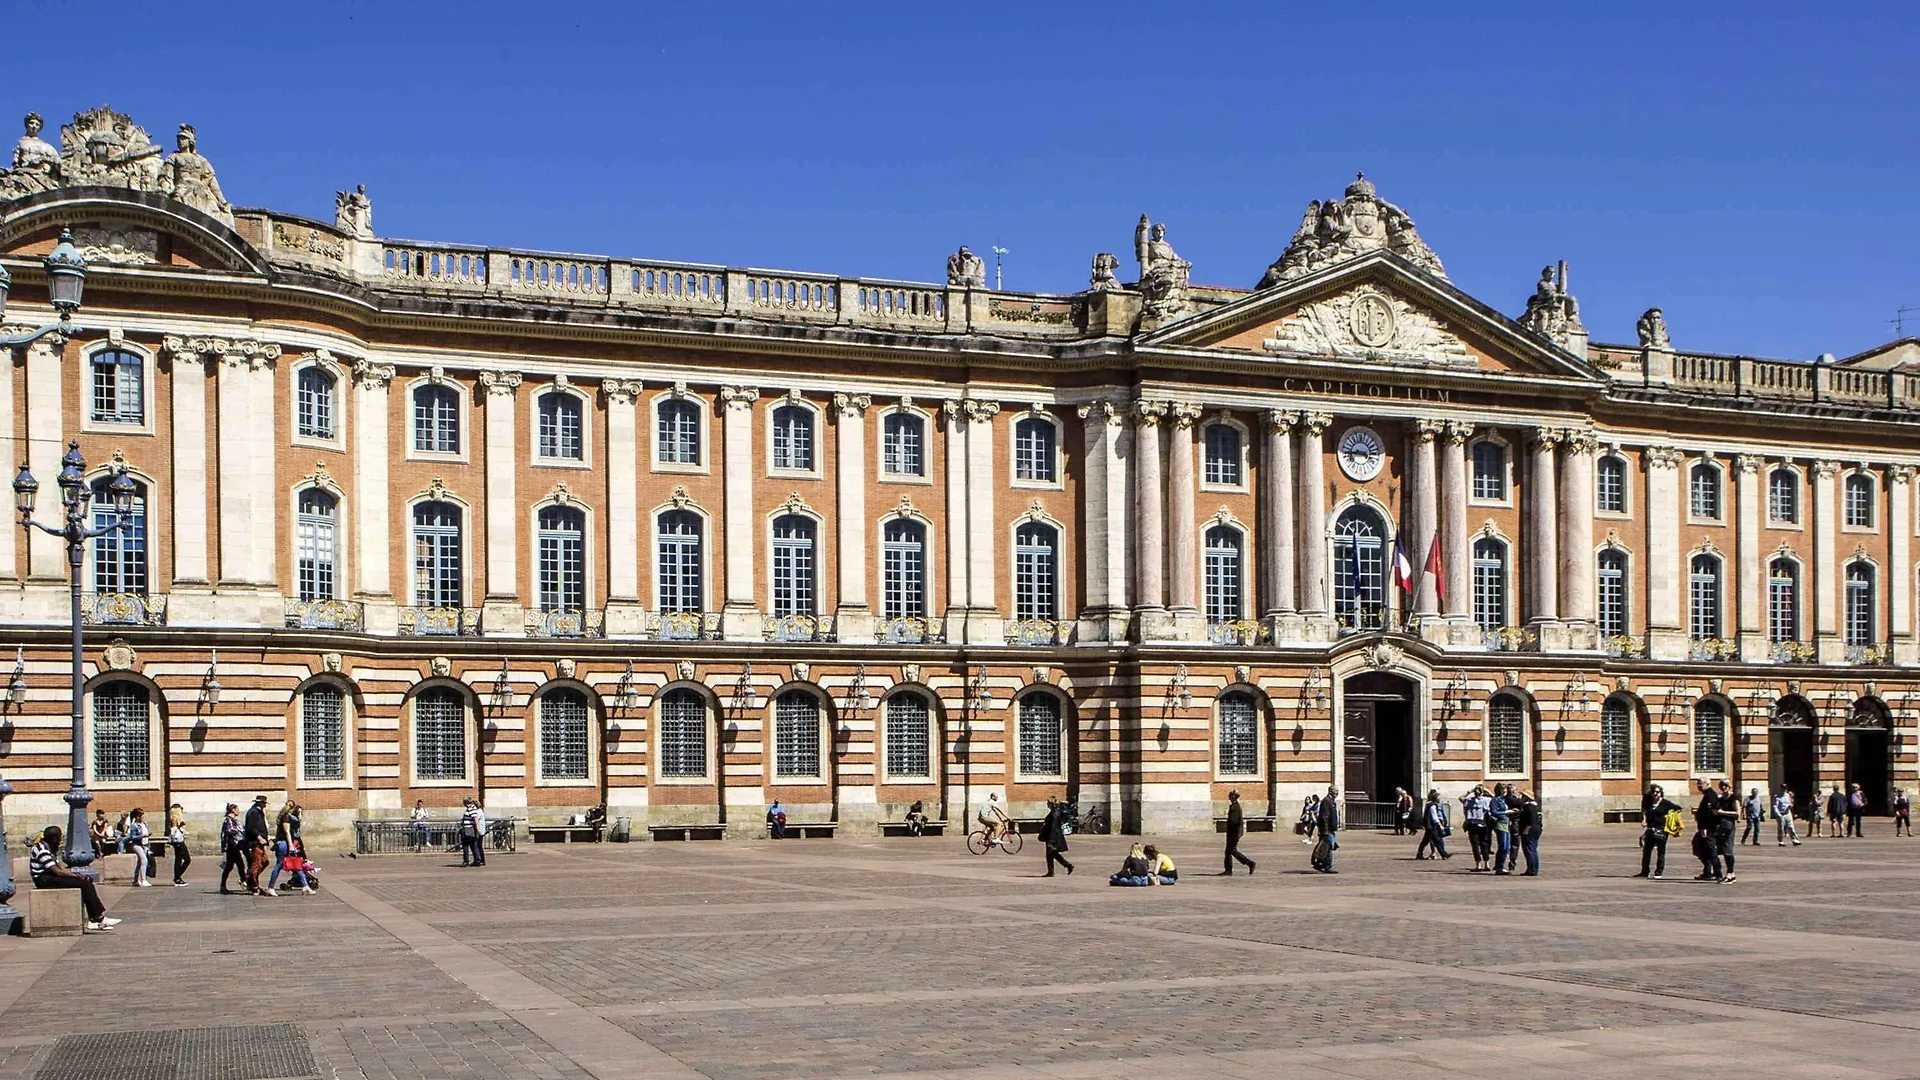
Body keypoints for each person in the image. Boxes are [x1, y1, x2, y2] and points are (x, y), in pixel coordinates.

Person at [29, 827, 120, 933]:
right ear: (54, 839)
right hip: (43, 880)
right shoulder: (42, 850)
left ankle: (94, 919)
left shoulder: (48, 848)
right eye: (59, 838)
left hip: (50, 877)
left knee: (86, 881)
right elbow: (57, 871)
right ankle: (98, 917)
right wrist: (76, 877)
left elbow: (60, 868)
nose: (60, 841)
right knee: (84, 884)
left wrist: (76, 875)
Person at [1637, 784, 1683, 879]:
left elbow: (1678, 808)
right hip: (1650, 829)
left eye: (1657, 792)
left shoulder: (1666, 803)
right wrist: (1644, 820)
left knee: (1661, 852)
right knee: (1646, 851)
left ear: (1661, 793)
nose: (1655, 794)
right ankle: (1645, 871)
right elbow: (1645, 812)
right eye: (1653, 792)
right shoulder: (1649, 803)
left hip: (1662, 830)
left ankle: (1659, 872)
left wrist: (1670, 816)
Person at [1691, 779, 1724, 881]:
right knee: (1700, 848)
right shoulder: (1707, 795)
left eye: (1701, 784)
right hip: (1704, 828)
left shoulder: (1710, 795)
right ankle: (1707, 872)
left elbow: (1711, 814)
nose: (1699, 786)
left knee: (1710, 850)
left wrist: (1705, 827)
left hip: (1708, 829)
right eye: (1698, 784)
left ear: (1708, 784)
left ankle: (1718, 873)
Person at [244, 795, 275, 896]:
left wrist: (267, 837)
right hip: (255, 842)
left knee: (265, 862)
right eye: (264, 803)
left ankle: (251, 879)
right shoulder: (253, 812)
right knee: (256, 864)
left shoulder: (258, 811)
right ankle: (253, 885)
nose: (265, 805)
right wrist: (259, 837)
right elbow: (251, 827)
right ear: (260, 803)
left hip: (261, 842)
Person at [267, 801, 301, 892]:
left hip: (282, 843)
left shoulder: (283, 816)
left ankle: (305, 885)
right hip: (284, 844)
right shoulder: (286, 817)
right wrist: (290, 845)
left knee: (295, 864)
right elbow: (287, 832)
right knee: (279, 865)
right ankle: (270, 887)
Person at [1222, 789, 1256, 875]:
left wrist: (1230, 827)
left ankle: (1249, 863)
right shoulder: (1233, 806)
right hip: (1232, 833)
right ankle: (1228, 870)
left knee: (1231, 851)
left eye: (1231, 796)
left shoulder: (1235, 807)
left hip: (1234, 833)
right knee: (1229, 851)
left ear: (1234, 797)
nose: (1230, 797)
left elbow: (1234, 821)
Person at [1712, 779, 1741, 883]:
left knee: (1728, 850)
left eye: (1725, 786)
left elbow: (1737, 813)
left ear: (1729, 787)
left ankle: (1731, 873)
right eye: (1722, 786)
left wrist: (1722, 812)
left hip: (1729, 827)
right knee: (1722, 851)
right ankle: (1726, 873)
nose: (1723, 788)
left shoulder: (1733, 798)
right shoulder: (1720, 799)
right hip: (1720, 827)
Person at [218, 803, 249, 895]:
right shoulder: (229, 819)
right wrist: (240, 830)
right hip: (232, 846)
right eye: (237, 809)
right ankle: (243, 881)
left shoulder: (233, 819)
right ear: (233, 810)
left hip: (233, 845)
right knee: (239, 865)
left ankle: (223, 886)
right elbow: (230, 830)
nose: (239, 811)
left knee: (230, 866)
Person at [1039, 795, 1074, 877]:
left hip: (1053, 837)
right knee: (1050, 854)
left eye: (1048, 803)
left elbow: (1053, 828)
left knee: (1053, 853)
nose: (1047, 804)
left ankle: (1068, 865)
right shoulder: (1055, 812)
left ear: (1051, 804)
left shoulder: (1054, 814)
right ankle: (1051, 871)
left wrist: (1051, 841)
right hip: (1052, 836)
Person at [1511, 789, 1543, 876]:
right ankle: (1534, 869)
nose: (1522, 798)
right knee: (1533, 850)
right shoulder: (1534, 806)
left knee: (1529, 850)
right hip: (1536, 830)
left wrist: (1526, 830)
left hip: (1530, 831)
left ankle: (1531, 869)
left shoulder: (1528, 807)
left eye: (1524, 796)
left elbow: (1531, 820)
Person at [1311, 785, 1341, 873]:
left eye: (1337, 791)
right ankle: (1328, 866)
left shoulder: (1331, 801)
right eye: (1335, 790)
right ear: (1330, 791)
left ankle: (1319, 863)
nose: (1337, 792)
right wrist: (1325, 829)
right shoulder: (1326, 801)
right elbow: (1324, 817)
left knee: (1324, 847)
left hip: (1330, 829)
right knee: (1328, 847)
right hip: (1327, 829)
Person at [1462, 785, 1491, 871]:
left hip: (1472, 824)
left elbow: (1460, 797)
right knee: (1484, 844)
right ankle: (1487, 864)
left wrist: (1469, 791)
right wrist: (1487, 790)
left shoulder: (1470, 800)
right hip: (1483, 824)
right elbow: (1495, 798)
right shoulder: (1487, 800)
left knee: (1475, 845)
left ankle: (1478, 864)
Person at [1416, 789, 1450, 861]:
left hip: (1429, 826)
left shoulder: (1429, 804)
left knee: (1426, 841)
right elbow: (1434, 817)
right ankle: (1444, 854)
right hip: (1431, 826)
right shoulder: (1432, 806)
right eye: (1438, 797)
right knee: (1437, 840)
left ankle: (1419, 853)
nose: (1439, 798)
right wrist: (1440, 825)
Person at [1487, 785, 1513, 876]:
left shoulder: (1504, 799)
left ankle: (1500, 865)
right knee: (1503, 846)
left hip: (1507, 823)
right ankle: (1499, 867)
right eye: (1504, 789)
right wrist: (1506, 812)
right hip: (1500, 823)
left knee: (1507, 847)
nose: (1505, 791)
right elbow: (1493, 812)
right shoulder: (1495, 800)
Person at [125, 807, 152, 887]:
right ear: (137, 816)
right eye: (141, 815)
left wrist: (148, 845)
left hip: (145, 845)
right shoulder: (134, 826)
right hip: (137, 845)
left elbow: (147, 837)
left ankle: (136, 880)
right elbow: (132, 837)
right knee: (144, 860)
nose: (143, 817)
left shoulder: (145, 824)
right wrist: (142, 836)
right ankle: (143, 879)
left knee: (140, 862)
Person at [167, 803, 191, 886]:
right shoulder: (174, 818)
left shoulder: (177, 819)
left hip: (179, 840)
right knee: (187, 859)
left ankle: (177, 877)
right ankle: (177, 877)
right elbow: (173, 831)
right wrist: (179, 826)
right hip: (178, 842)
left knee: (179, 859)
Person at [460, 797, 488, 866]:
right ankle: (477, 860)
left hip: (469, 830)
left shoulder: (472, 809)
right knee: (474, 846)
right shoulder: (473, 809)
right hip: (469, 829)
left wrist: (478, 830)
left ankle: (471, 860)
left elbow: (476, 820)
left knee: (469, 845)